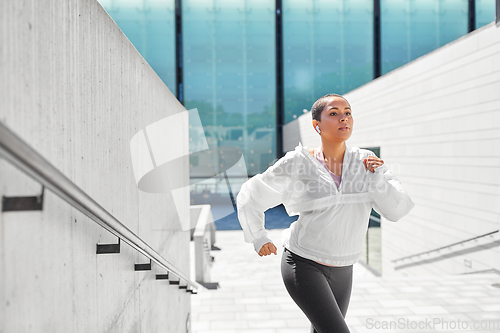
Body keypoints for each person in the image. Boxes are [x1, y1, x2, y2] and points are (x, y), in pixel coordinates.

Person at [236, 93, 415, 333]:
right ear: (316, 125)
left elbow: (397, 209)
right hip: (303, 263)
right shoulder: (299, 162)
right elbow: (252, 192)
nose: (344, 118)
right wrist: (258, 236)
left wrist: (379, 180)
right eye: (334, 113)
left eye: (348, 113)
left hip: (344, 267)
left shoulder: (367, 163)